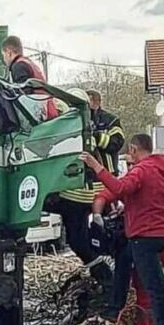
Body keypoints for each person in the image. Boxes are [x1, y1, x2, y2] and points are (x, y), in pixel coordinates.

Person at [81, 134, 164, 325]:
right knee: (126, 263)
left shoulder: (142, 170)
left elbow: (119, 187)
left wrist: (96, 166)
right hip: (163, 233)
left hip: (144, 235)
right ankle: (115, 308)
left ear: (134, 149)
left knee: (156, 291)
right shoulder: (162, 169)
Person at [59, 89, 124, 285]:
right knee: (77, 235)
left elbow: (116, 142)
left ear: (95, 102)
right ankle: (101, 271)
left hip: (104, 181)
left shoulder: (110, 120)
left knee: (109, 230)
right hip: (79, 186)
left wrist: (95, 137)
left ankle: (116, 269)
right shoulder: (70, 121)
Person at [0, 35, 59, 120]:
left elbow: (24, 95)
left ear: (9, 52)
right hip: (47, 108)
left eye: (4, 55)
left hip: (41, 113)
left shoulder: (19, 66)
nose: (4, 59)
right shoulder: (27, 62)